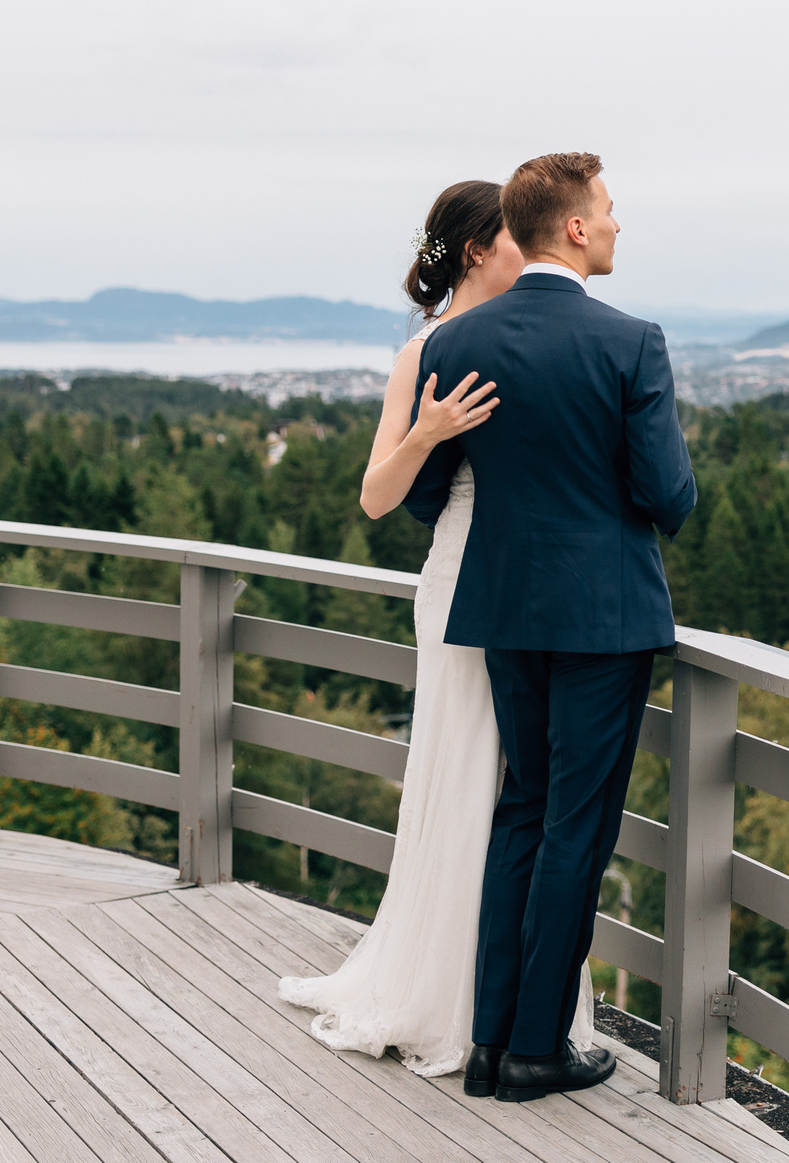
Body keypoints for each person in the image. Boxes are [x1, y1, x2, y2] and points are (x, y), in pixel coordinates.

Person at [403, 151, 697, 1102]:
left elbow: (425, 499)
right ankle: (536, 1049)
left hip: (504, 610)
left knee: (521, 812)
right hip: (604, 618)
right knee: (578, 826)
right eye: (606, 210)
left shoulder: (455, 342)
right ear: (573, 227)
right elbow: (669, 495)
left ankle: (490, 1046)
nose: (615, 224)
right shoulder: (631, 342)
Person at [276, 180, 515, 1075]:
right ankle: (438, 991)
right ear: (478, 249)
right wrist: (429, 431)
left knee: (508, 784)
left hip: (525, 584)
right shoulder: (423, 353)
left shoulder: (525, 338)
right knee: (458, 769)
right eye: (514, 235)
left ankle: (497, 985)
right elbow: (376, 496)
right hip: (458, 580)